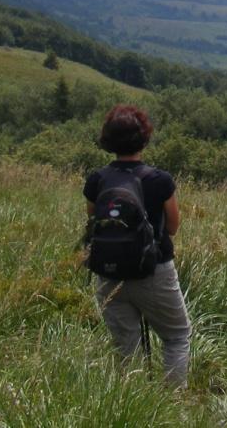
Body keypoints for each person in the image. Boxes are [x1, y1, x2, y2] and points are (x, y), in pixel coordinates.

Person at [83, 104, 192, 387]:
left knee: (126, 351)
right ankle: (171, 410)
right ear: (144, 138)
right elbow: (172, 227)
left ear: (108, 139)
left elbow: (93, 219)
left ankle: (132, 408)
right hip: (154, 272)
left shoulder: (97, 179)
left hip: (108, 274)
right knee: (177, 336)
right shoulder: (159, 180)